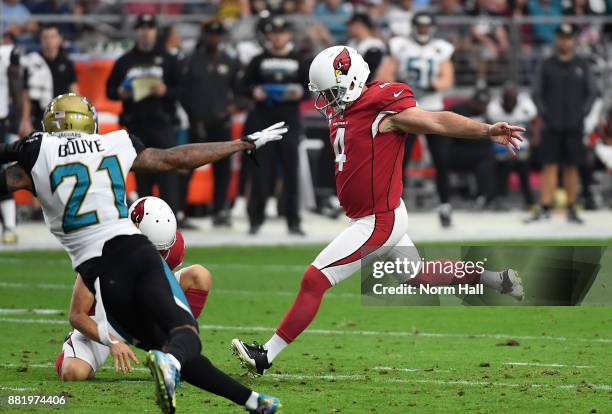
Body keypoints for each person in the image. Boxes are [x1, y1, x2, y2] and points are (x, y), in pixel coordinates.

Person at [231, 46, 525, 376]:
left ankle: (265, 356)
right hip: (384, 215)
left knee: (314, 280)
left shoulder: (382, 108)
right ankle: (496, 279)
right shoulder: (346, 107)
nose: (326, 99)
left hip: (377, 221)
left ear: (352, 81)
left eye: (331, 91)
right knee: (418, 275)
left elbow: (435, 121)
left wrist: (485, 130)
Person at [0, 93, 287, 414]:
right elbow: (176, 159)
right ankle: (224, 387)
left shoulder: (36, 156)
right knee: (184, 337)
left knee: (162, 344)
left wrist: (18, 146)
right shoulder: (112, 143)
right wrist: (241, 144)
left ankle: (251, 402)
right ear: (90, 123)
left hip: (104, 277)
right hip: (137, 251)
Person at [56, 197, 211, 381]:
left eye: (161, 252)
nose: (156, 257)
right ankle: (72, 349)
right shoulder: (99, 250)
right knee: (73, 372)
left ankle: (173, 353)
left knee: (199, 276)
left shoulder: (171, 247)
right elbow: (77, 314)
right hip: (104, 316)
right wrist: (111, 340)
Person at [377, 11, 456, 227]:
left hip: (432, 109)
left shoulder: (441, 48)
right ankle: (396, 206)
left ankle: (445, 205)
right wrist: (400, 85)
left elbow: (447, 78)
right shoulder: (400, 45)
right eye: (419, 26)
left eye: (426, 27)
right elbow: (385, 75)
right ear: (413, 27)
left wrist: (432, 86)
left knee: (442, 159)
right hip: (407, 109)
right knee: (399, 161)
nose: (422, 31)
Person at [106, 14, 181, 215]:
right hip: (136, 125)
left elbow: (183, 89)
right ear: (136, 31)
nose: (145, 32)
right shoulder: (125, 61)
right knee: (142, 175)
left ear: (155, 31)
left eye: (149, 28)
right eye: (141, 28)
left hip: (163, 122)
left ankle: (172, 218)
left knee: (168, 172)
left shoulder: (168, 59)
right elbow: (110, 91)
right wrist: (121, 92)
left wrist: (166, 91)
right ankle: (144, 218)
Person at [240, 16, 308, 236]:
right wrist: (253, 92)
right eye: (274, 33)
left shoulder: (299, 59)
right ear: (268, 35)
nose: (278, 37)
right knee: (261, 172)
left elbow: (310, 87)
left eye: (281, 33)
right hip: (263, 125)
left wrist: (301, 92)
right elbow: (242, 86)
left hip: (289, 124)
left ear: (288, 35)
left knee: (291, 173)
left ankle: (293, 221)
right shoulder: (258, 60)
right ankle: (256, 219)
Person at [528, 23, 597, 223]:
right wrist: (544, 114)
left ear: (574, 40)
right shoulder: (547, 63)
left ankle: (572, 206)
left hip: (575, 125)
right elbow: (536, 92)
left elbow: (592, 92)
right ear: (557, 39)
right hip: (551, 125)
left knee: (572, 166)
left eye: (568, 38)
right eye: (561, 37)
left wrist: (583, 113)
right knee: (548, 165)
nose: (565, 41)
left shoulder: (582, 65)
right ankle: (545, 205)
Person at [182, 19, 240, 227]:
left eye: (217, 35)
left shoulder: (230, 61)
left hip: (221, 123)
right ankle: (181, 211)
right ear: (204, 36)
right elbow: (183, 93)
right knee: (187, 166)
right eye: (210, 34)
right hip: (197, 122)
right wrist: (192, 116)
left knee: (222, 169)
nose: (214, 38)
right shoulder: (192, 61)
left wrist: (231, 108)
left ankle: (219, 211)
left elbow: (240, 93)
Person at [20, 24, 78, 137]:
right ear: (40, 40)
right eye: (45, 37)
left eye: (52, 37)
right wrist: (25, 121)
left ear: (60, 39)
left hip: (63, 117)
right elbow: (26, 94)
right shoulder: (32, 61)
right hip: (40, 116)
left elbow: (74, 90)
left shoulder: (67, 62)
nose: (49, 41)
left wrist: (77, 113)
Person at [487, 83, 536, 208]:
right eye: (507, 99)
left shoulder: (527, 107)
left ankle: (529, 199)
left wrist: (533, 141)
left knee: (523, 162)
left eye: (512, 99)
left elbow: (535, 126)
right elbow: (489, 131)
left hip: (522, 144)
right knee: (501, 163)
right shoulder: (493, 108)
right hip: (500, 146)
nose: (509, 103)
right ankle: (498, 198)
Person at [0, 38, 23, 244]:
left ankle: (9, 226)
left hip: (1, 120)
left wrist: (16, 123)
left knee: (2, 172)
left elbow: (16, 87)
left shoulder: (7, 52)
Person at [346, 13, 386, 81]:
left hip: (370, 84)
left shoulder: (374, 44)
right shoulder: (351, 43)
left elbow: (371, 71)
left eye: (350, 25)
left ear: (359, 25)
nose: (348, 28)